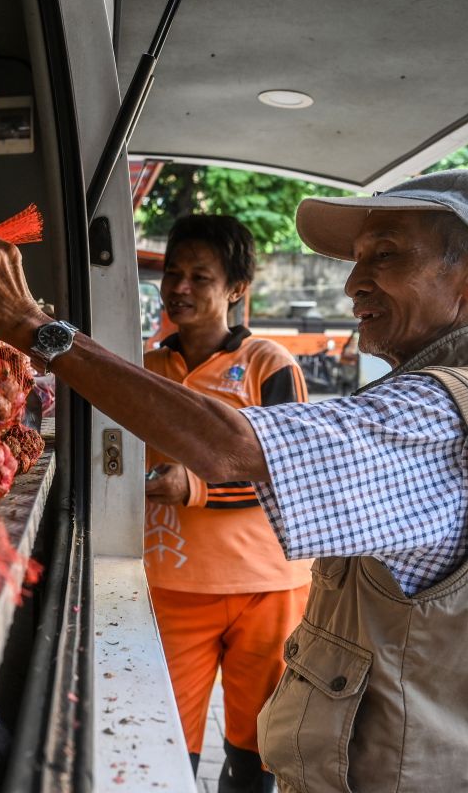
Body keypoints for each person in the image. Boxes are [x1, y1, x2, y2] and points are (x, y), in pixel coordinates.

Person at [0, 168, 468, 793]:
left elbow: (233, 450)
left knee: (245, 750)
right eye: (359, 259)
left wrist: (34, 329)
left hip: (392, 768)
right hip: (373, 750)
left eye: (387, 255)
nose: (352, 283)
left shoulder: (441, 414)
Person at [142, 214, 310, 792]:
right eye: (172, 273)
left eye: (200, 276)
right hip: (171, 586)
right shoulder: (145, 367)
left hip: (268, 588)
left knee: (255, 754)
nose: (179, 288)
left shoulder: (270, 364)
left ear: (236, 289)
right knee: (165, 746)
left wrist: (194, 486)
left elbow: (291, 472)